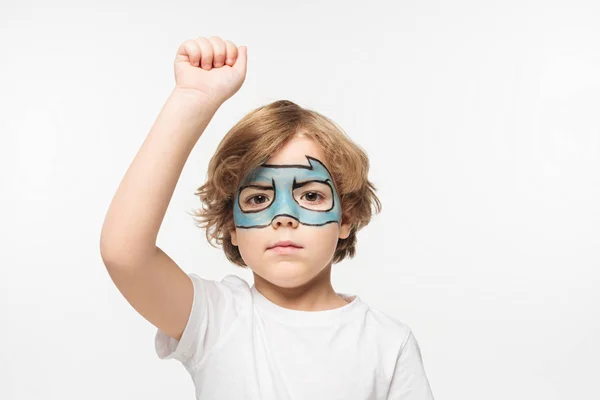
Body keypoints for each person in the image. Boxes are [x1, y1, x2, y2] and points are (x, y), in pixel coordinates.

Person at [100, 36, 435, 399]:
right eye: (259, 198)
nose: (284, 217)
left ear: (346, 217)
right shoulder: (215, 319)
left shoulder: (387, 342)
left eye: (310, 195)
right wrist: (191, 100)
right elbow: (124, 253)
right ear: (231, 226)